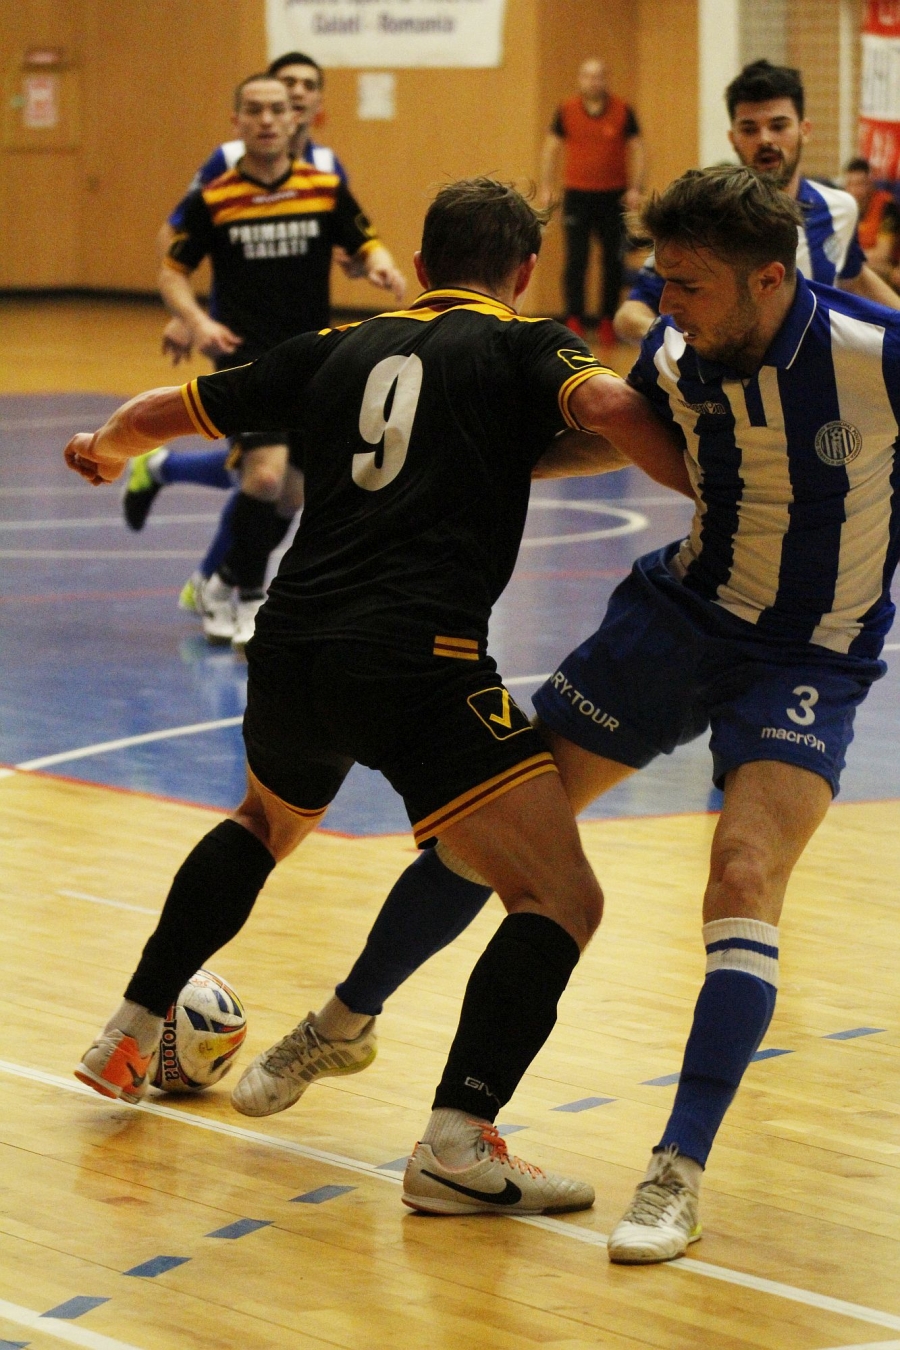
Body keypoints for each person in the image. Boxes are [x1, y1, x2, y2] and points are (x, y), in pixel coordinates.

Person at [237, 164, 900, 1263]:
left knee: (741, 879)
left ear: (770, 279)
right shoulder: (682, 350)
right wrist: (476, 464)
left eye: (684, 284)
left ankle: (674, 1171)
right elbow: (615, 433)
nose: (660, 302)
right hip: (678, 621)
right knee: (493, 826)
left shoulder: (875, 359)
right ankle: (342, 1025)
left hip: (811, 656)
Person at [64, 177, 693, 1217]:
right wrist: (720, 484)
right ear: (525, 272)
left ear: (421, 253)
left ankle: (128, 1033)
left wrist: (106, 449)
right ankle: (457, 1139)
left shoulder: (335, 347)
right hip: (418, 661)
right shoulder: (521, 346)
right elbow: (612, 411)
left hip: (293, 647)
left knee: (264, 822)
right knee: (561, 898)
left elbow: (156, 413)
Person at [125, 58, 405, 650]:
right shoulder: (215, 197)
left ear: (297, 116)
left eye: (278, 109)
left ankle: (224, 579)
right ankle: (249, 593)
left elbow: (363, 241)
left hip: (313, 355)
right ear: (237, 121)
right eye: (255, 110)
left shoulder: (325, 188)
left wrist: (378, 264)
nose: (268, 119)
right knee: (264, 475)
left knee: (295, 492)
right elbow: (172, 271)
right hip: (245, 353)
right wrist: (194, 320)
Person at [615, 58, 900, 343]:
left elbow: (854, 278)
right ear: (733, 138)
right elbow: (630, 315)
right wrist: (677, 344)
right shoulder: (700, 217)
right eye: (750, 129)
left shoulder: (839, 208)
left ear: (805, 130)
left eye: (778, 126)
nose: (765, 139)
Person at [538, 57, 644, 347]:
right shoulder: (567, 110)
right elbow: (551, 147)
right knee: (576, 260)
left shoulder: (623, 110)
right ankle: (574, 319)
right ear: (580, 79)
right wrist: (547, 186)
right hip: (577, 195)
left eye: (598, 76)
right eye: (587, 76)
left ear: (605, 80)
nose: (592, 82)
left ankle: (608, 320)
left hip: (613, 196)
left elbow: (637, 147)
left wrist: (636, 187)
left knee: (612, 261)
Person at [843, 155, 900, 285]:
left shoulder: (887, 207)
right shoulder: (844, 208)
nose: (855, 191)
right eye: (850, 184)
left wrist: (847, 256)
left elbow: (883, 254)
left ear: (871, 185)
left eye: (860, 184)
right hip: (861, 266)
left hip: (887, 269)